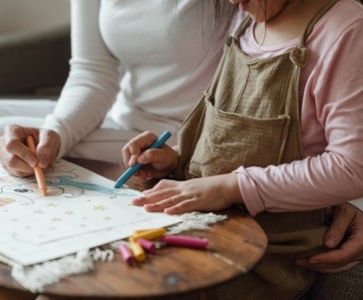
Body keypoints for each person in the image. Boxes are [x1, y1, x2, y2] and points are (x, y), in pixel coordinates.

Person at [120, 0, 363, 299]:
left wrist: (230, 187)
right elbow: (232, 141)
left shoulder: (345, 29)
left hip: (267, 248)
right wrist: (177, 158)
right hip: (203, 221)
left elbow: (352, 168)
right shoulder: (246, 19)